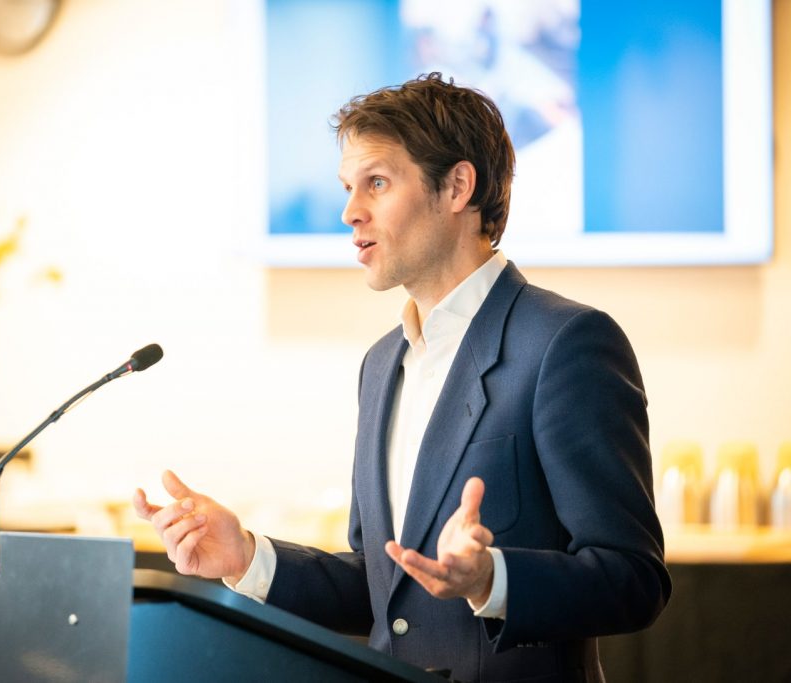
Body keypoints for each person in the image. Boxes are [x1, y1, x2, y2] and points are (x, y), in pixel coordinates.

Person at [133, 73, 670, 682]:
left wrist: (494, 579)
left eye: (377, 183)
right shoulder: (382, 362)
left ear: (457, 187)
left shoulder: (565, 343)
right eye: (347, 187)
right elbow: (382, 586)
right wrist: (249, 558)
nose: (349, 211)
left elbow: (634, 579)